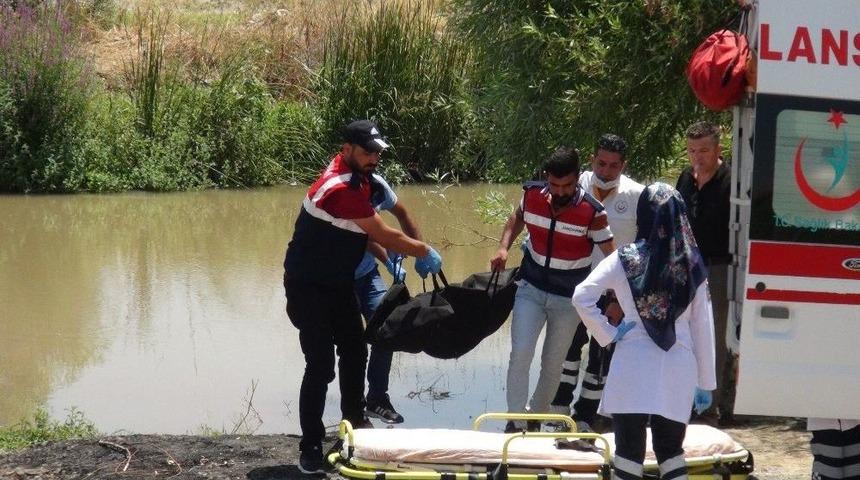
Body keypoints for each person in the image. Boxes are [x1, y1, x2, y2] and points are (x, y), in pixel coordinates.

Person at [283, 119, 442, 474]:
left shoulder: (359, 179)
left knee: (355, 351)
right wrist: (423, 250)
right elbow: (384, 233)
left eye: (377, 152)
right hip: (307, 286)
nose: (374, 158)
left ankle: (354, 425)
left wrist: (396, 257)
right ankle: (310, 446)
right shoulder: (340, 187)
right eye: (367, 151)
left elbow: (364, 232)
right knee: (321, 365)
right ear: (347, 149)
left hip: (337, 283)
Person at [572, 182, 716, 480]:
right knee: (671, 451)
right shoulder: (694, 266)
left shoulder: (624, 259)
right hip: (678, 364)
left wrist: (608, 333)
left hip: (632, 363)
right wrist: (706, 382)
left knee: (627, 453)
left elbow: (581, 296)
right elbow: (703, 325)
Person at [490, 146, 616, 432]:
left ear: (577, 178)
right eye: (555, 185)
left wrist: (616, 294)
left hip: (567, 300)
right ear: (546, 178)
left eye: (568, 185)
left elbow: (612, 256)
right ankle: (515, 422)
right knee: (520, 353)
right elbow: (516, 219)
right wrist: (502, 247)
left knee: (553, 363)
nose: (560, 192)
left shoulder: (592, 213)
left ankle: (534, 419)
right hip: (530, 290)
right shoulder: (532, 195)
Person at [549, 134, 645, 432]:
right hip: (573, 285)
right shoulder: (575, 186)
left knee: (602, 356)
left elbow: (640, 250)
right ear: (592, 160)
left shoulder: (636, 195)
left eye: (613, 166)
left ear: (623, 165)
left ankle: (587, 417)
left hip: (612, 292)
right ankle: (558, 413)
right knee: (566, 351)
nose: (605, 171)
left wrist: (621, 297)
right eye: (601, 163)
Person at [675, 121, 733, 425]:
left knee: (714, 336)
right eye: (693, 150)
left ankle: (711, 408)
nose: (698, 157)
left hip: (719, 266)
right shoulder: (685, 177)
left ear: (717, 149)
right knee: (685, 333)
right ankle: (682, 401)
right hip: (686, 266)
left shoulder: (731, 180)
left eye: (704, 151)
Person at [353, 174, 423, 425]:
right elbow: (368, 235)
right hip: (338, 277)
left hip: (366, 273)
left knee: (387, 329)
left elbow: (402, 214)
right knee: (353, 346)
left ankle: (377, 399)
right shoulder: (343, 192)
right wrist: (389, 260)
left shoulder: (377, 185)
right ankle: (353, 410)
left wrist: (420, 249)